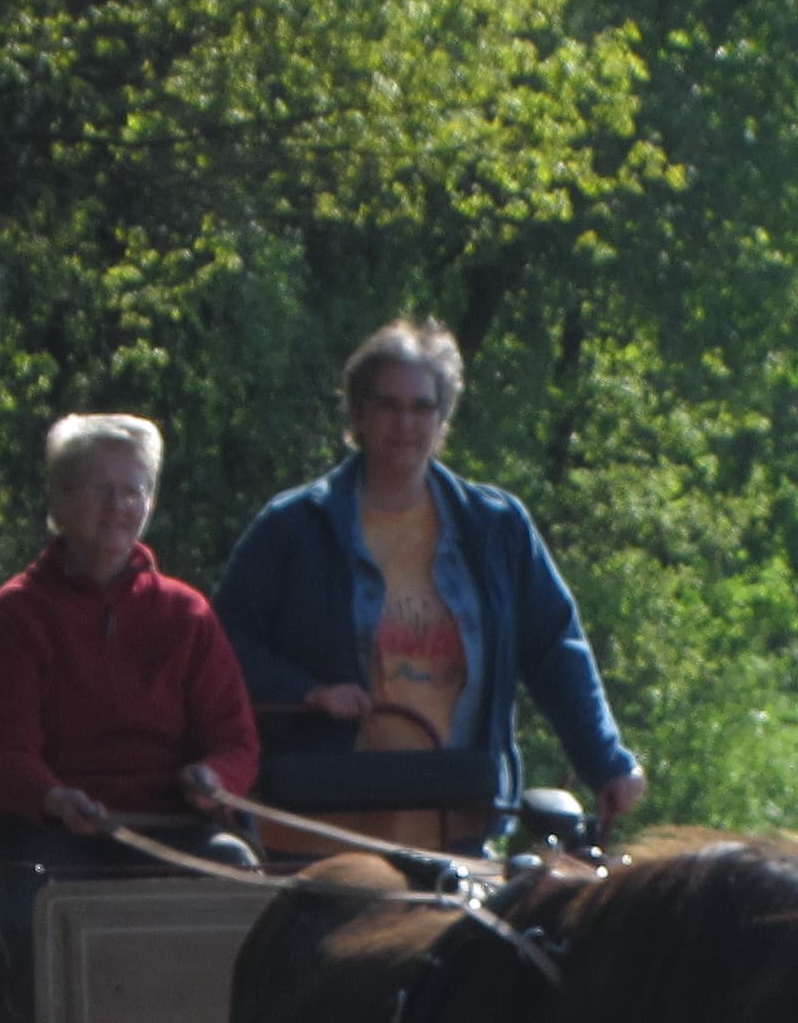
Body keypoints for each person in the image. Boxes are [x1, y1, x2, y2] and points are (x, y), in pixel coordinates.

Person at [213, 320, 645, 846]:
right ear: (358, 415)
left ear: (443, 418)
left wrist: (606, 762)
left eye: (422, 407)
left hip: (452, 825)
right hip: (315, 829)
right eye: (388, 405)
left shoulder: (494, 528)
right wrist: (309, 692)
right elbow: (221, 647)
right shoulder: (295, 527)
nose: (405, 423)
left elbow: (555, 647)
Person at [0, 412, 261, 839]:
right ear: (58, 500)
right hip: (52, 835)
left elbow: (235, 741)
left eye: (132, 491)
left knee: (239, 874)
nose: (117, 506)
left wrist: (213, 779)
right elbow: (2, 750)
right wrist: (54, 798)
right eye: (100, 491)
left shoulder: (187, 614)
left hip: (175, 828)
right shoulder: (16, 615)